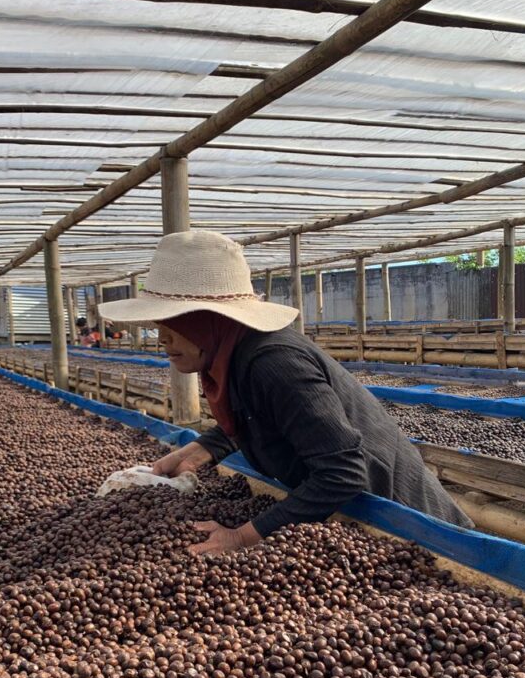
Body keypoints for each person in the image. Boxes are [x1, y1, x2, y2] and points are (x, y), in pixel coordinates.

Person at [99, 231, 471, 555]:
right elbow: (259, 415)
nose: (162, 338)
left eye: (174, 323)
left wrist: (242, 536)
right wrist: (198, 451)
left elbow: (343, 472)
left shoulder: (274, 363)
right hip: (355, 515)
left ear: (209, 321)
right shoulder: (235, 356)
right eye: (159, 323)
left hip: (415, 530)